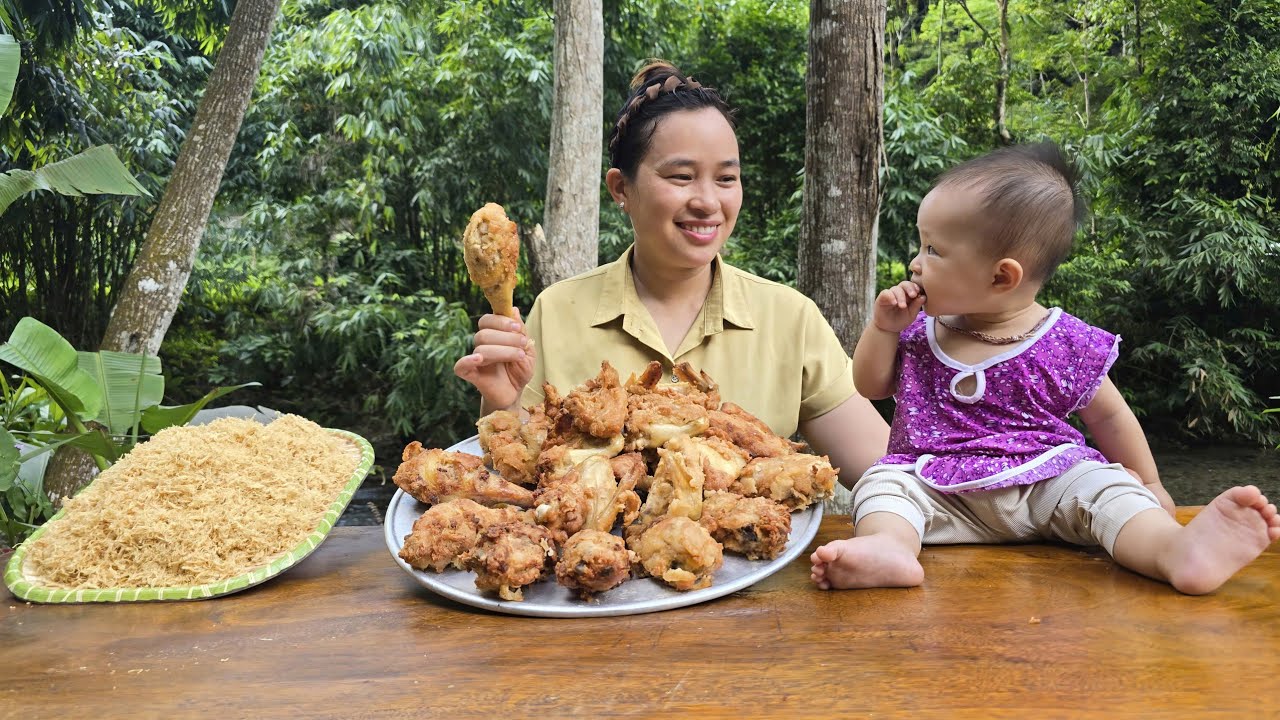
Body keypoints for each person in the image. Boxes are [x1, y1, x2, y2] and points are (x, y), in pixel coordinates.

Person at [810, 142, 1280, 595]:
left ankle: (1173, 551)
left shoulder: (1066, 342)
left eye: (933, 250)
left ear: (1001, 276)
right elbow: (870, 386)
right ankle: (890, 547)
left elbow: (1110, 416)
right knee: (885, 484)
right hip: (937, 489)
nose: (915, 263)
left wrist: (1150, 483)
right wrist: (884, 329)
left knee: (1106, 486)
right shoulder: (918, 330)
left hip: (1046, 482)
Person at [453, 60, 890, 482]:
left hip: (752, 536)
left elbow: (886, 474)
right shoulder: (556, 312)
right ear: (621, 188)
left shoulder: (790, 320)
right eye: (681, 176)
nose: (708, 201)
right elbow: (512, 483)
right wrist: (503, 403)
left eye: (726, 179)